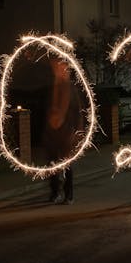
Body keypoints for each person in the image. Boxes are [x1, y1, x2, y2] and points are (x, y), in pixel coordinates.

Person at [43, 55, 83, 204]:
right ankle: (55, 192)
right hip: (52, 132)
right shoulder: (53, 87)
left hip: (67, 132)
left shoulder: (71, 89)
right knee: (52, 163)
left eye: (59, 67)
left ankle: (68, 194)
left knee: (66, 164)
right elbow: (48, 108)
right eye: (54, 67)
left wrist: (78, 131)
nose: (57, 70)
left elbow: (78, 112)